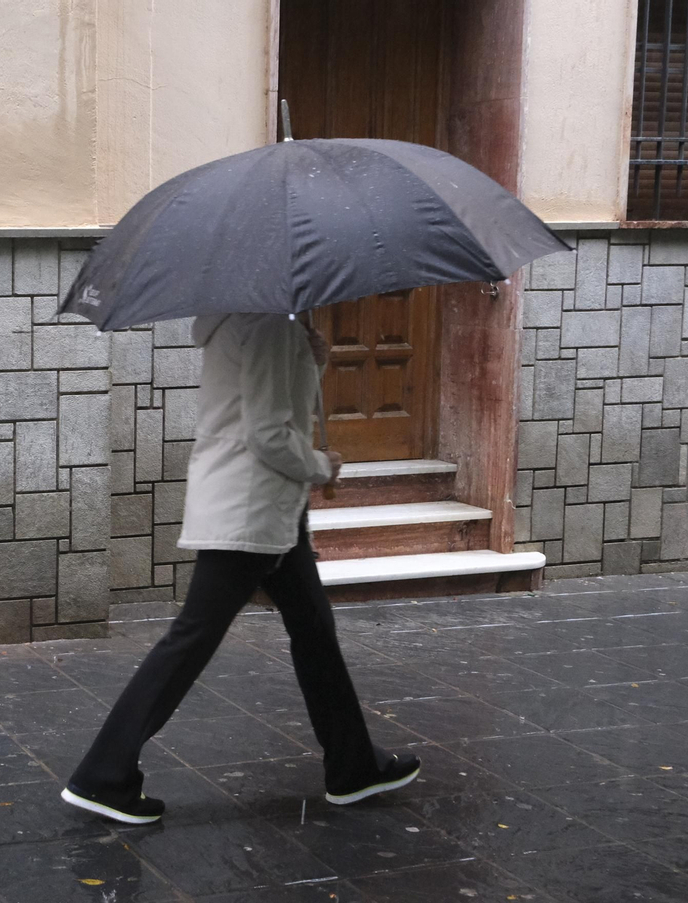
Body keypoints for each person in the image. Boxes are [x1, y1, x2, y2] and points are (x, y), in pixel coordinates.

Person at [60, 312, 419, 824]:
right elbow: (269, 432)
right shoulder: (270, 324)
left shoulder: (246, 322)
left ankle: (354, 765)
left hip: (268, 512)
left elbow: (268, 403)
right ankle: (103, 773)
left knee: (314, 630)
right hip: (250, 512)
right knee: (191, 640)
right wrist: (322, 467)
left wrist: (309, 361)